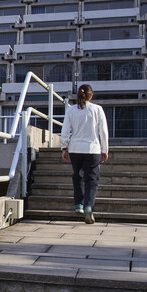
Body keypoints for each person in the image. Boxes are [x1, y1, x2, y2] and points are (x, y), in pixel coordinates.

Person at [60, 84, 109, 224]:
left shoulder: (71, 110)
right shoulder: (97, 109)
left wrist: (64, 147)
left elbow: (65, 130)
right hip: (92, 149)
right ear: (91, 96)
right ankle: (88, 206)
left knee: (78, 175)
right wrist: (104, 150)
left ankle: (78, 204)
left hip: (75, 149)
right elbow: (103, 132)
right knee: (91, 180)